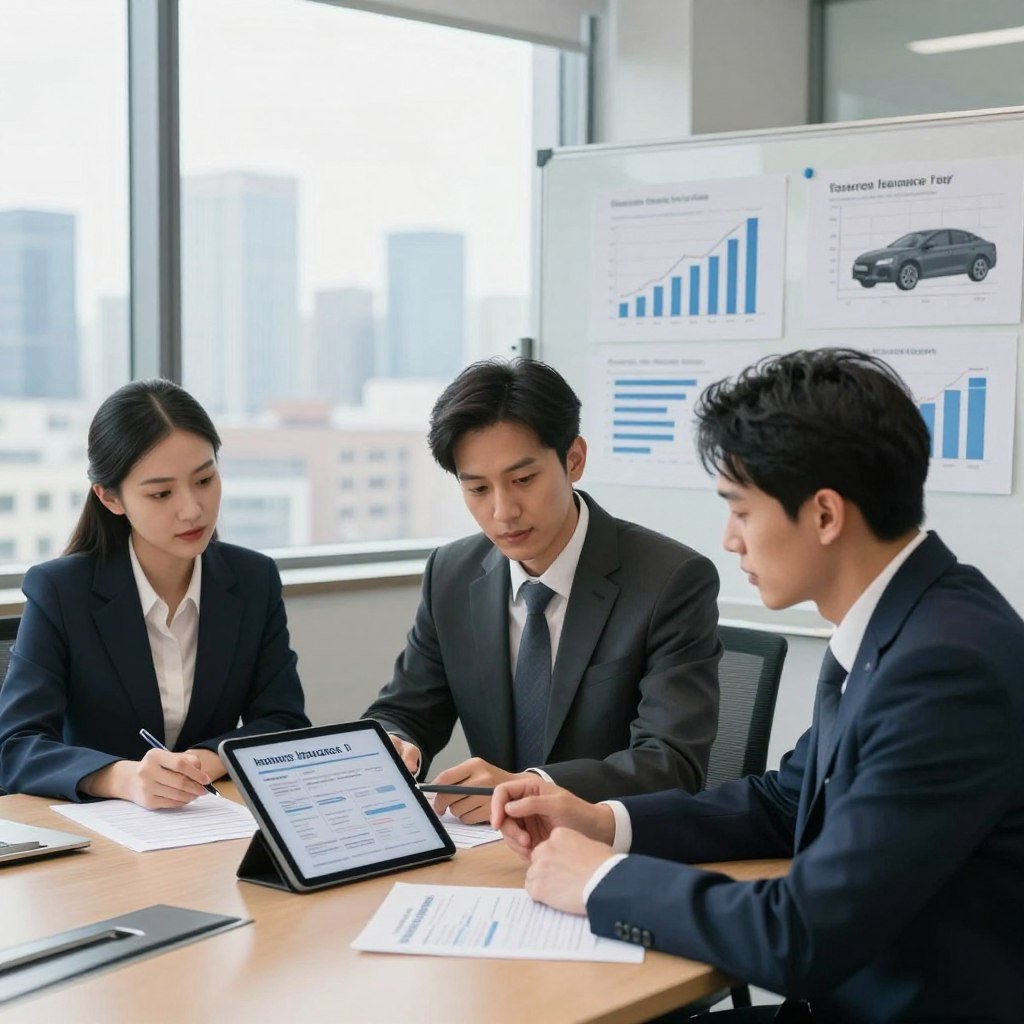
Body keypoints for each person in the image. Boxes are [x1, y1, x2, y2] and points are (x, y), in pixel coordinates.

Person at [490, 348, 1024, 1023]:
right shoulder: (910, 622)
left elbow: (801, 935)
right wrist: (601, 821)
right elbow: (785, 800)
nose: (730, 540)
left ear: (825, 515)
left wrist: (599, 881)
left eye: (741, 511)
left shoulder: (946, 670)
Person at [363, 358, 721, 823]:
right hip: (491, 850)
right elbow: (406, 710)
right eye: (477, 489)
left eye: (523, 480)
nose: (503, 511)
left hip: (610, 850)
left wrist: (531, 787)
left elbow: (671, 764)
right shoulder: (451, 573)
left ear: (574, 459)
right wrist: (397, 741)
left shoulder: (670, 580)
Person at [0, 379, 310, 808]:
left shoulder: (253, 579)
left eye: (204, 479)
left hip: (206, 823)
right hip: (99, 836)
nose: (192, 509)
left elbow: (284, 721)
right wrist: (120, 778)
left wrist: (202, 761)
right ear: (110, 498)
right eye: (162, 493)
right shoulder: (60, 591)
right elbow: (15, 747)